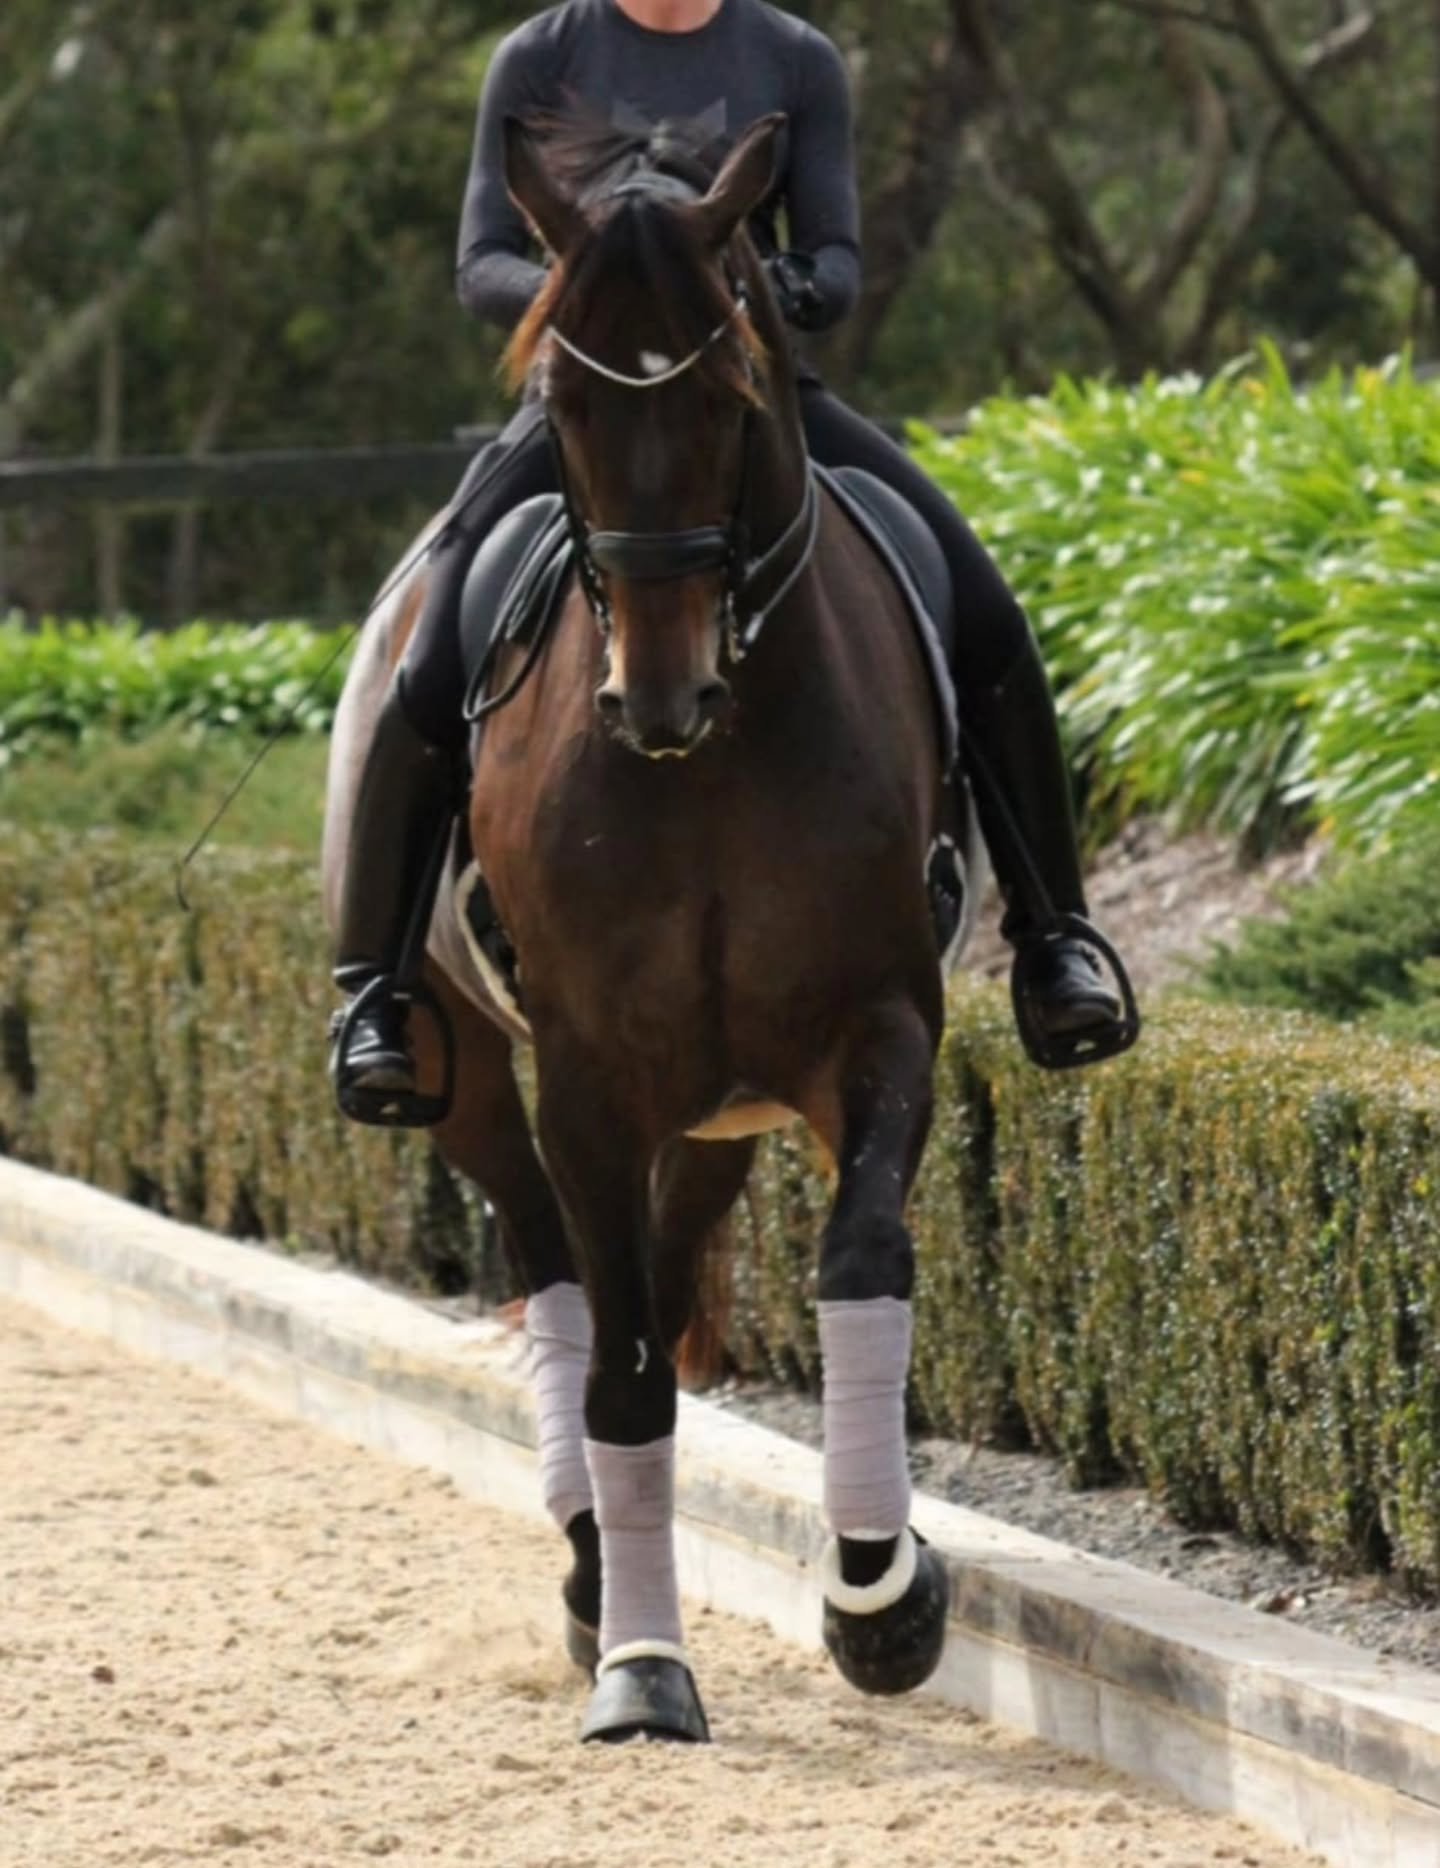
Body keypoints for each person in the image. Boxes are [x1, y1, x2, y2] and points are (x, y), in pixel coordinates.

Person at [331, 0, 1129, 1117]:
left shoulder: (795, 58)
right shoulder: (540, 56)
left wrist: (750, 299)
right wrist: (599, 297)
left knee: (988, 614)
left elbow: (836, 259)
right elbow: (482, 266)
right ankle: (378, 987)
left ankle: (1056, 939)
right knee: (429, 652)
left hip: (752, 396)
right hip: (590, 407)